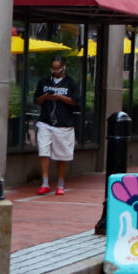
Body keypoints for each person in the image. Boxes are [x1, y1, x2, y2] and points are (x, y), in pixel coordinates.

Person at [34, 54, 81, 196]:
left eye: (58, 68)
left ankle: (60, 184)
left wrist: (60, 97)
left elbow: (76, 102)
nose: (55, 71)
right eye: (53, 68)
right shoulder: (44, 81)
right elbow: (37, 100)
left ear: (64, 67)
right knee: (43, 151)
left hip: (63, 123)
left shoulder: (71, 83)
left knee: (62, 156)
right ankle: (45, 182)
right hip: (45, 122)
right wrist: (45, 97)